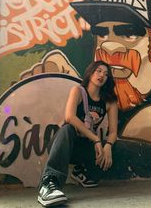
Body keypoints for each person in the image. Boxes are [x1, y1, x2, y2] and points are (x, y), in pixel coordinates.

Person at [37, 60, 119, 207]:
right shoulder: (78, 91)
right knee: (68, 128)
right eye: (98, 71)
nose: (102, 75)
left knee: (113, 150)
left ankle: (81, 172)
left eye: (106, 74)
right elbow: (70, 117)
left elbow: (113, 132)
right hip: (65, 144)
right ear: (90, 73)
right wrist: (96, 139)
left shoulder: (109, 101)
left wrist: (108, 146)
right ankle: (49, 183)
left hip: (85, 147)